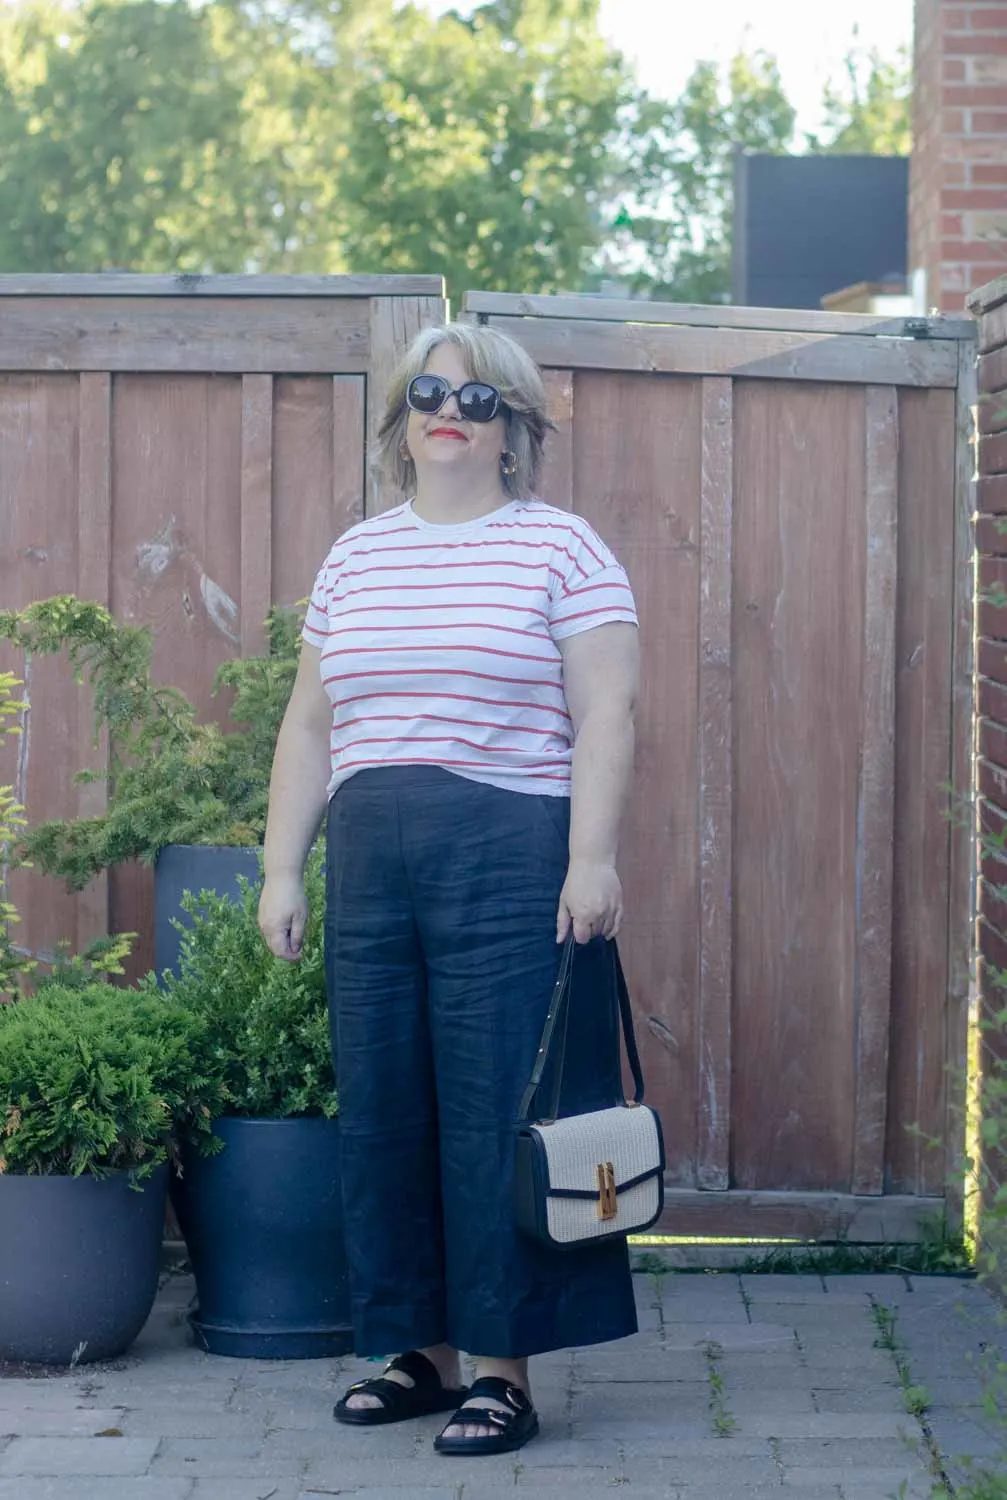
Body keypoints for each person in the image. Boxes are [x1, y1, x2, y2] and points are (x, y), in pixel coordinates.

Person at [258, 322, 641, 1457]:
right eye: (427, 391)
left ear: (513, 429)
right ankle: (412, 1354)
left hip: (506, 849)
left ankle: (500, 1370)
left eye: (476, 399)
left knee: (493, 1114)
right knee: (383, 1107)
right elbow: (311, 723)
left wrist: (590, 855)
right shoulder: (357, 556)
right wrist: (284, 864)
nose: (447, 410)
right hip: (372, 851)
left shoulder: (564, 550)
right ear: (400, 418)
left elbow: (605, 713)